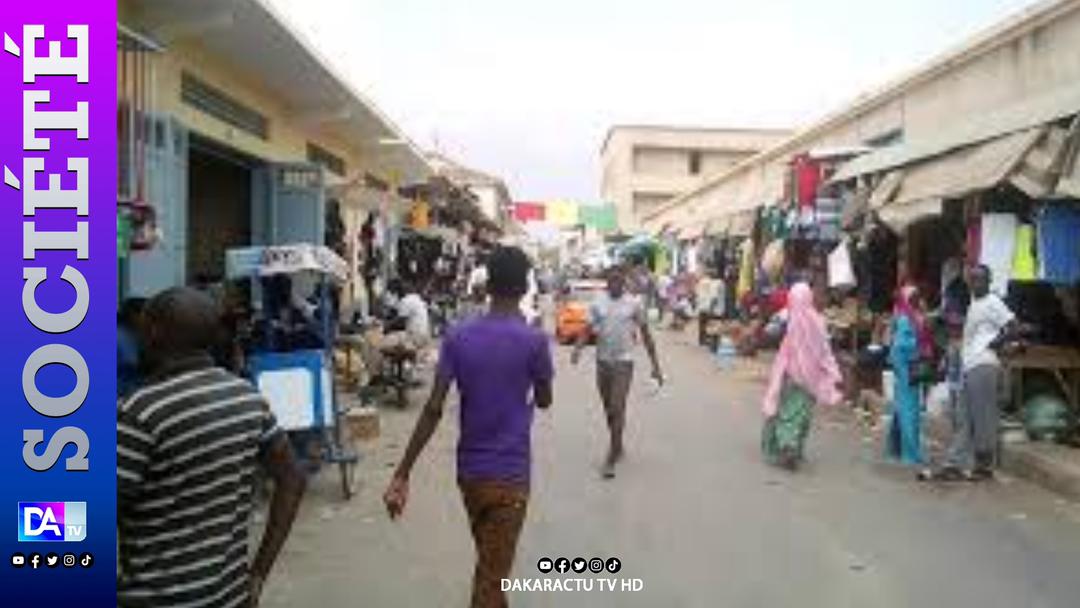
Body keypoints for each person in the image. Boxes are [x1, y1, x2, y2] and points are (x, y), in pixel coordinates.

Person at [383, 246, 554, 608]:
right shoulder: (534, 341)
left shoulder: (458, 337)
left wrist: (403, 472)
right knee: (491, 582)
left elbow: (433, 409)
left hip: (471, 476)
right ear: (525, 288)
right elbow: (544, 400)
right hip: (510, 476)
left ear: (487, 285)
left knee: (491, 570)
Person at [117, 287, 306, 608]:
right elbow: (293, 480)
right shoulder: (247, 397)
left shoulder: (139, 412)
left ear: (154, 333)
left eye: (142, 327)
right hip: (230, 596)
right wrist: (257, 575)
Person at [923, 265, 1019, 481]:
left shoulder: (993, 302)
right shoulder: (975, 303)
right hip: (969, 365)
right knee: (963, 417)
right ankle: (954, 464)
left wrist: (996, 342)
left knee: (983, 417)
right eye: (972, 280)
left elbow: (1014, 326)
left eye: (979, 280)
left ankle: (984, 467)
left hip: (984, 365)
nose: (975, 284)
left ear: (989, 281)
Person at [571, 265, 664, 479]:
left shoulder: (634, 304)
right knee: (609, 410)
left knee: (617, 406)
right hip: (602, 362)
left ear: (624, 282)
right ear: (606, 282)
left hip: (624, 362)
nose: (615, 284)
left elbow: (646, 334)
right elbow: (587, 328)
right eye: (611, 281)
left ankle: (610, 458)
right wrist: (578, 348)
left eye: (619, 281)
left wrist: (656, 366)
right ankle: (618, 443)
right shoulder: (598, 302)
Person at [761, 282, 843, 470]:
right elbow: (825, 351)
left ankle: (786, 447)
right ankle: (794, 449)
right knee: (802, 414)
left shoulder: (788, 318)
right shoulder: (818, 321)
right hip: (811, 379)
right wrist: (834, 373)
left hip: (791, 375)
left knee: (786, 412)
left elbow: (770, 335)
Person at [886, 285, 931, 466]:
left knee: (901, 410)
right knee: (909, 412)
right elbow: (900, 346)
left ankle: (895, 449)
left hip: (906, 369)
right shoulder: (907, 319)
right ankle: (910, 454)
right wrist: (920, 348)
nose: (918, 299)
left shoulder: (910, 316)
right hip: (907, 369)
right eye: (914, 297)